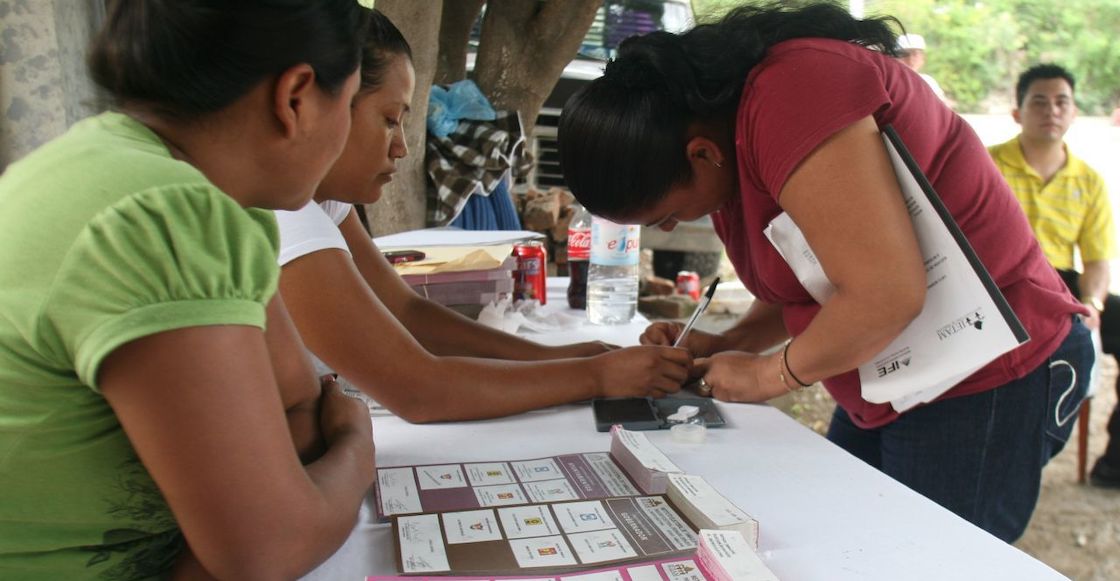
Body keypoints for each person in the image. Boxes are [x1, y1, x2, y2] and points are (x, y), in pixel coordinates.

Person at [557, 2, 1091, 543]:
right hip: (893, 375)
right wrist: (731, 341)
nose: (670, 230)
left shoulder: (793, 94)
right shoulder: (728, 140)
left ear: (700, 154)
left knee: (923, 558)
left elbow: (884, 293)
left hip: (985, 370)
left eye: (666, 215)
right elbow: (817, 270)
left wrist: (770, 375)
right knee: (846, 543)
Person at [0, 1, 375, 579]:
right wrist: (355, 445)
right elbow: (269, 548)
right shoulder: (163, 214)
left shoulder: (153, 177)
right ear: (296, 96)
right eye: (349, 103)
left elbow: (299, 406)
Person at [273, 10, 691, 423]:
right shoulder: (283, 212)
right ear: (305, 102)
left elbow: (406, 312)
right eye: (388, 120)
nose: (400, 146)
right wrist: (594, 376)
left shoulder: (322, 201)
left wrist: (557, 357)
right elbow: (419, 391)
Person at [989, 64, 1120, 489]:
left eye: (1061, 102)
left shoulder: (1089, 180)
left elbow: (1098, 261)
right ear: (1017, 112)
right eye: (1039, 102)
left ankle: (1113, 463)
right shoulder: (987, 164)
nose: (1051, 111)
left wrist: (1095, 304)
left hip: (1065, 286)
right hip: (999, 284)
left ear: (1074, 112)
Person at [896, 33, 951, 105]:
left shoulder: (929, 82)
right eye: (904, 54)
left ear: (923, 58)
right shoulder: (889, 83)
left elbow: (943, 108)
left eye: (915, 54)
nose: (910, 59)